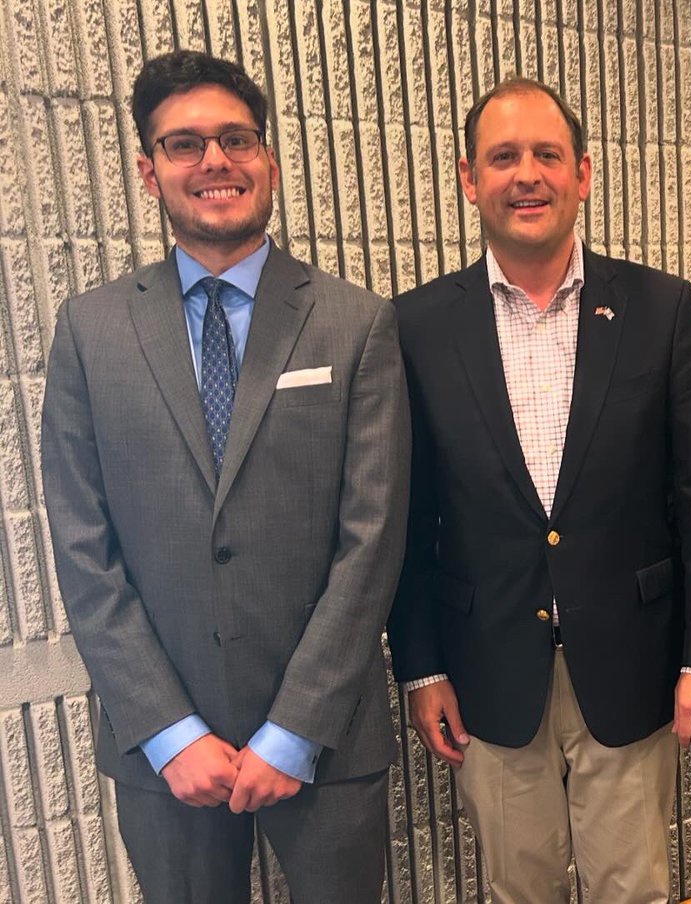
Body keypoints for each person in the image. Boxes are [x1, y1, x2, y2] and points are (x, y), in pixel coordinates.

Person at [40, 50, 408, 903]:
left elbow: (374, 538)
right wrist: (169, 731)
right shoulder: (91, 330)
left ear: (269, 159)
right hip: (164, 749)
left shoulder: (356, 323)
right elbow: (82, 546)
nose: (214, 162)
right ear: (150, 169)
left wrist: (295, 730)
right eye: (184, 144)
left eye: (236, 139)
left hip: (329, 735)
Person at [387, 77, 691, 903]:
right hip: (486, 670)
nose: (527, 175)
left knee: (634, 888)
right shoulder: (416, 326)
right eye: (503, 157)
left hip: (632, 661)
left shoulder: (660, 307)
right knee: (521, 891)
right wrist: (421, 667)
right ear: (469, 179)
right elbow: (407, 519)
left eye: (547, 154)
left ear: (583, 173)